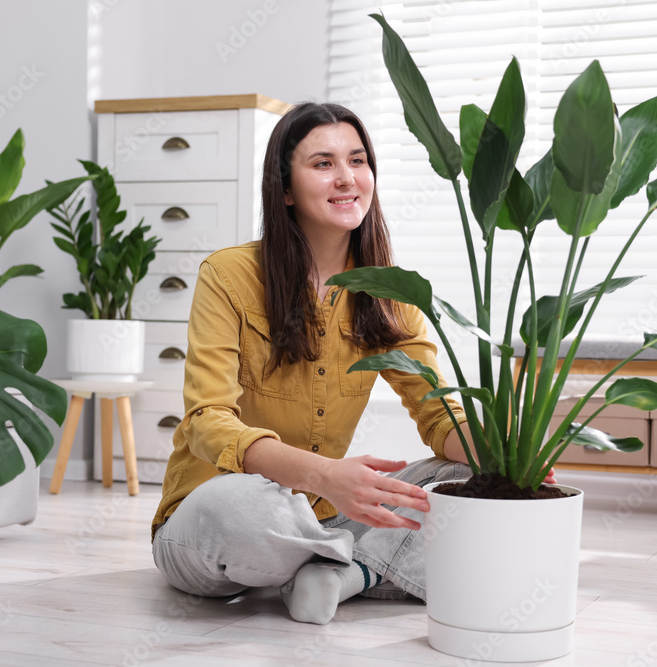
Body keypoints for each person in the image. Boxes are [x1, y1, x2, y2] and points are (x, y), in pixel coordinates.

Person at [150, 102, 552, 625]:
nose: (347, 178)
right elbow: (207, 423)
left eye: (358, 160)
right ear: (286, 189)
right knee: (247, 504)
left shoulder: (390, 291)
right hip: (212, 520)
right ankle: (363, 565)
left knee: (465, 479)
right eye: (323, 164)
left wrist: (507, 463)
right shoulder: (228, 275)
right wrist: (326, 476)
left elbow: (437, 415)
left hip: (322, 510)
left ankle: (333, 572)